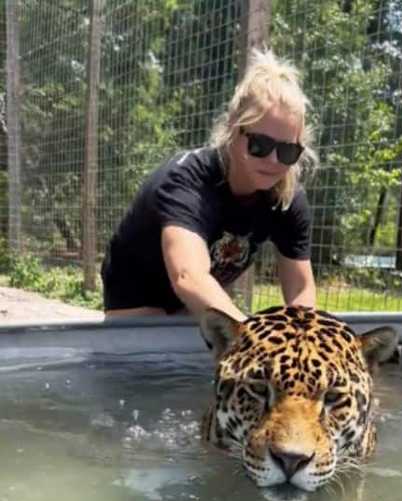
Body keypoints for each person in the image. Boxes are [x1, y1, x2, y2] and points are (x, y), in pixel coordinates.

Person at [101, 48, 319, 322]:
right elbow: (189, 277)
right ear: (233, 128)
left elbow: (300, 291)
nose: (275, 161)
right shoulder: (186, 181)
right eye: (260, 145)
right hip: (139, 304)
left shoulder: (285, 196)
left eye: (288, 151)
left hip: (199, 305)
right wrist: (252, 340)